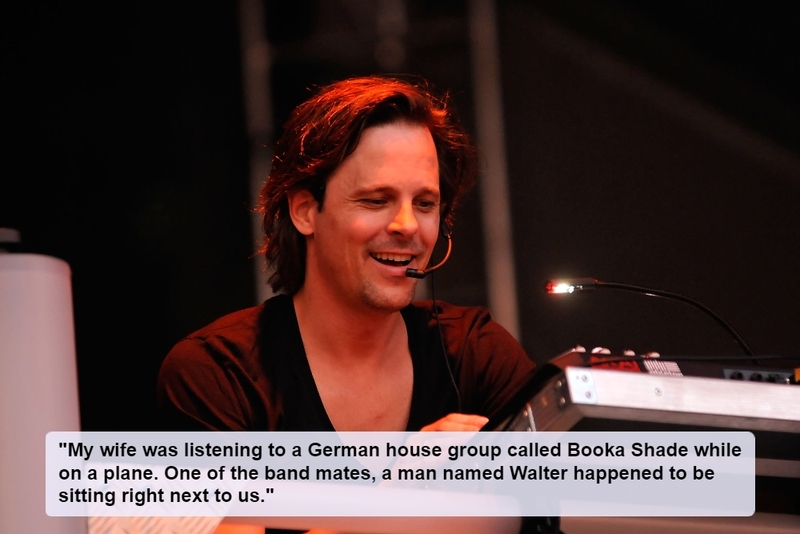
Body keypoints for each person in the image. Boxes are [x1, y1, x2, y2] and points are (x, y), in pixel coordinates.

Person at [157, 75, 546, 532]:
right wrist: (401, 490)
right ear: (305, 211)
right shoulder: (216, 374)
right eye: (376, 200)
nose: (408, 226)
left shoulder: (478, 354)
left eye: (425, 203)